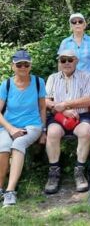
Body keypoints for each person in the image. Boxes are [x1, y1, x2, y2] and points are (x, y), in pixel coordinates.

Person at [44, 49, 90, 194]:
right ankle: (54, 173)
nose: (66, 63)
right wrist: (61, 109)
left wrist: (66, 104)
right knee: (53, 132)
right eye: (63, 60)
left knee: (85, 131)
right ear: (59, 62)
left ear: (76, 61)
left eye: (70, 59)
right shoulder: (52, 78)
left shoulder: (87, 77)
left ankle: (79, 171)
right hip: (58, 117)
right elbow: (46, 101)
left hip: (81, 116)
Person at [0, 50, 46, 207]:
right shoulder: (5, 84)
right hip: (7, 125)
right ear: (13, 66)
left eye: (26, 64)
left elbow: (42, 108)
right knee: (3, 147)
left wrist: (43, 130)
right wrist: (11, 129)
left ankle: (10, 191)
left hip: (32, 125)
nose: (23, 67)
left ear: (30, 66)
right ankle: (0, 188)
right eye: (19, 64)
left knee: (18, 144)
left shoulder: (39, 82)